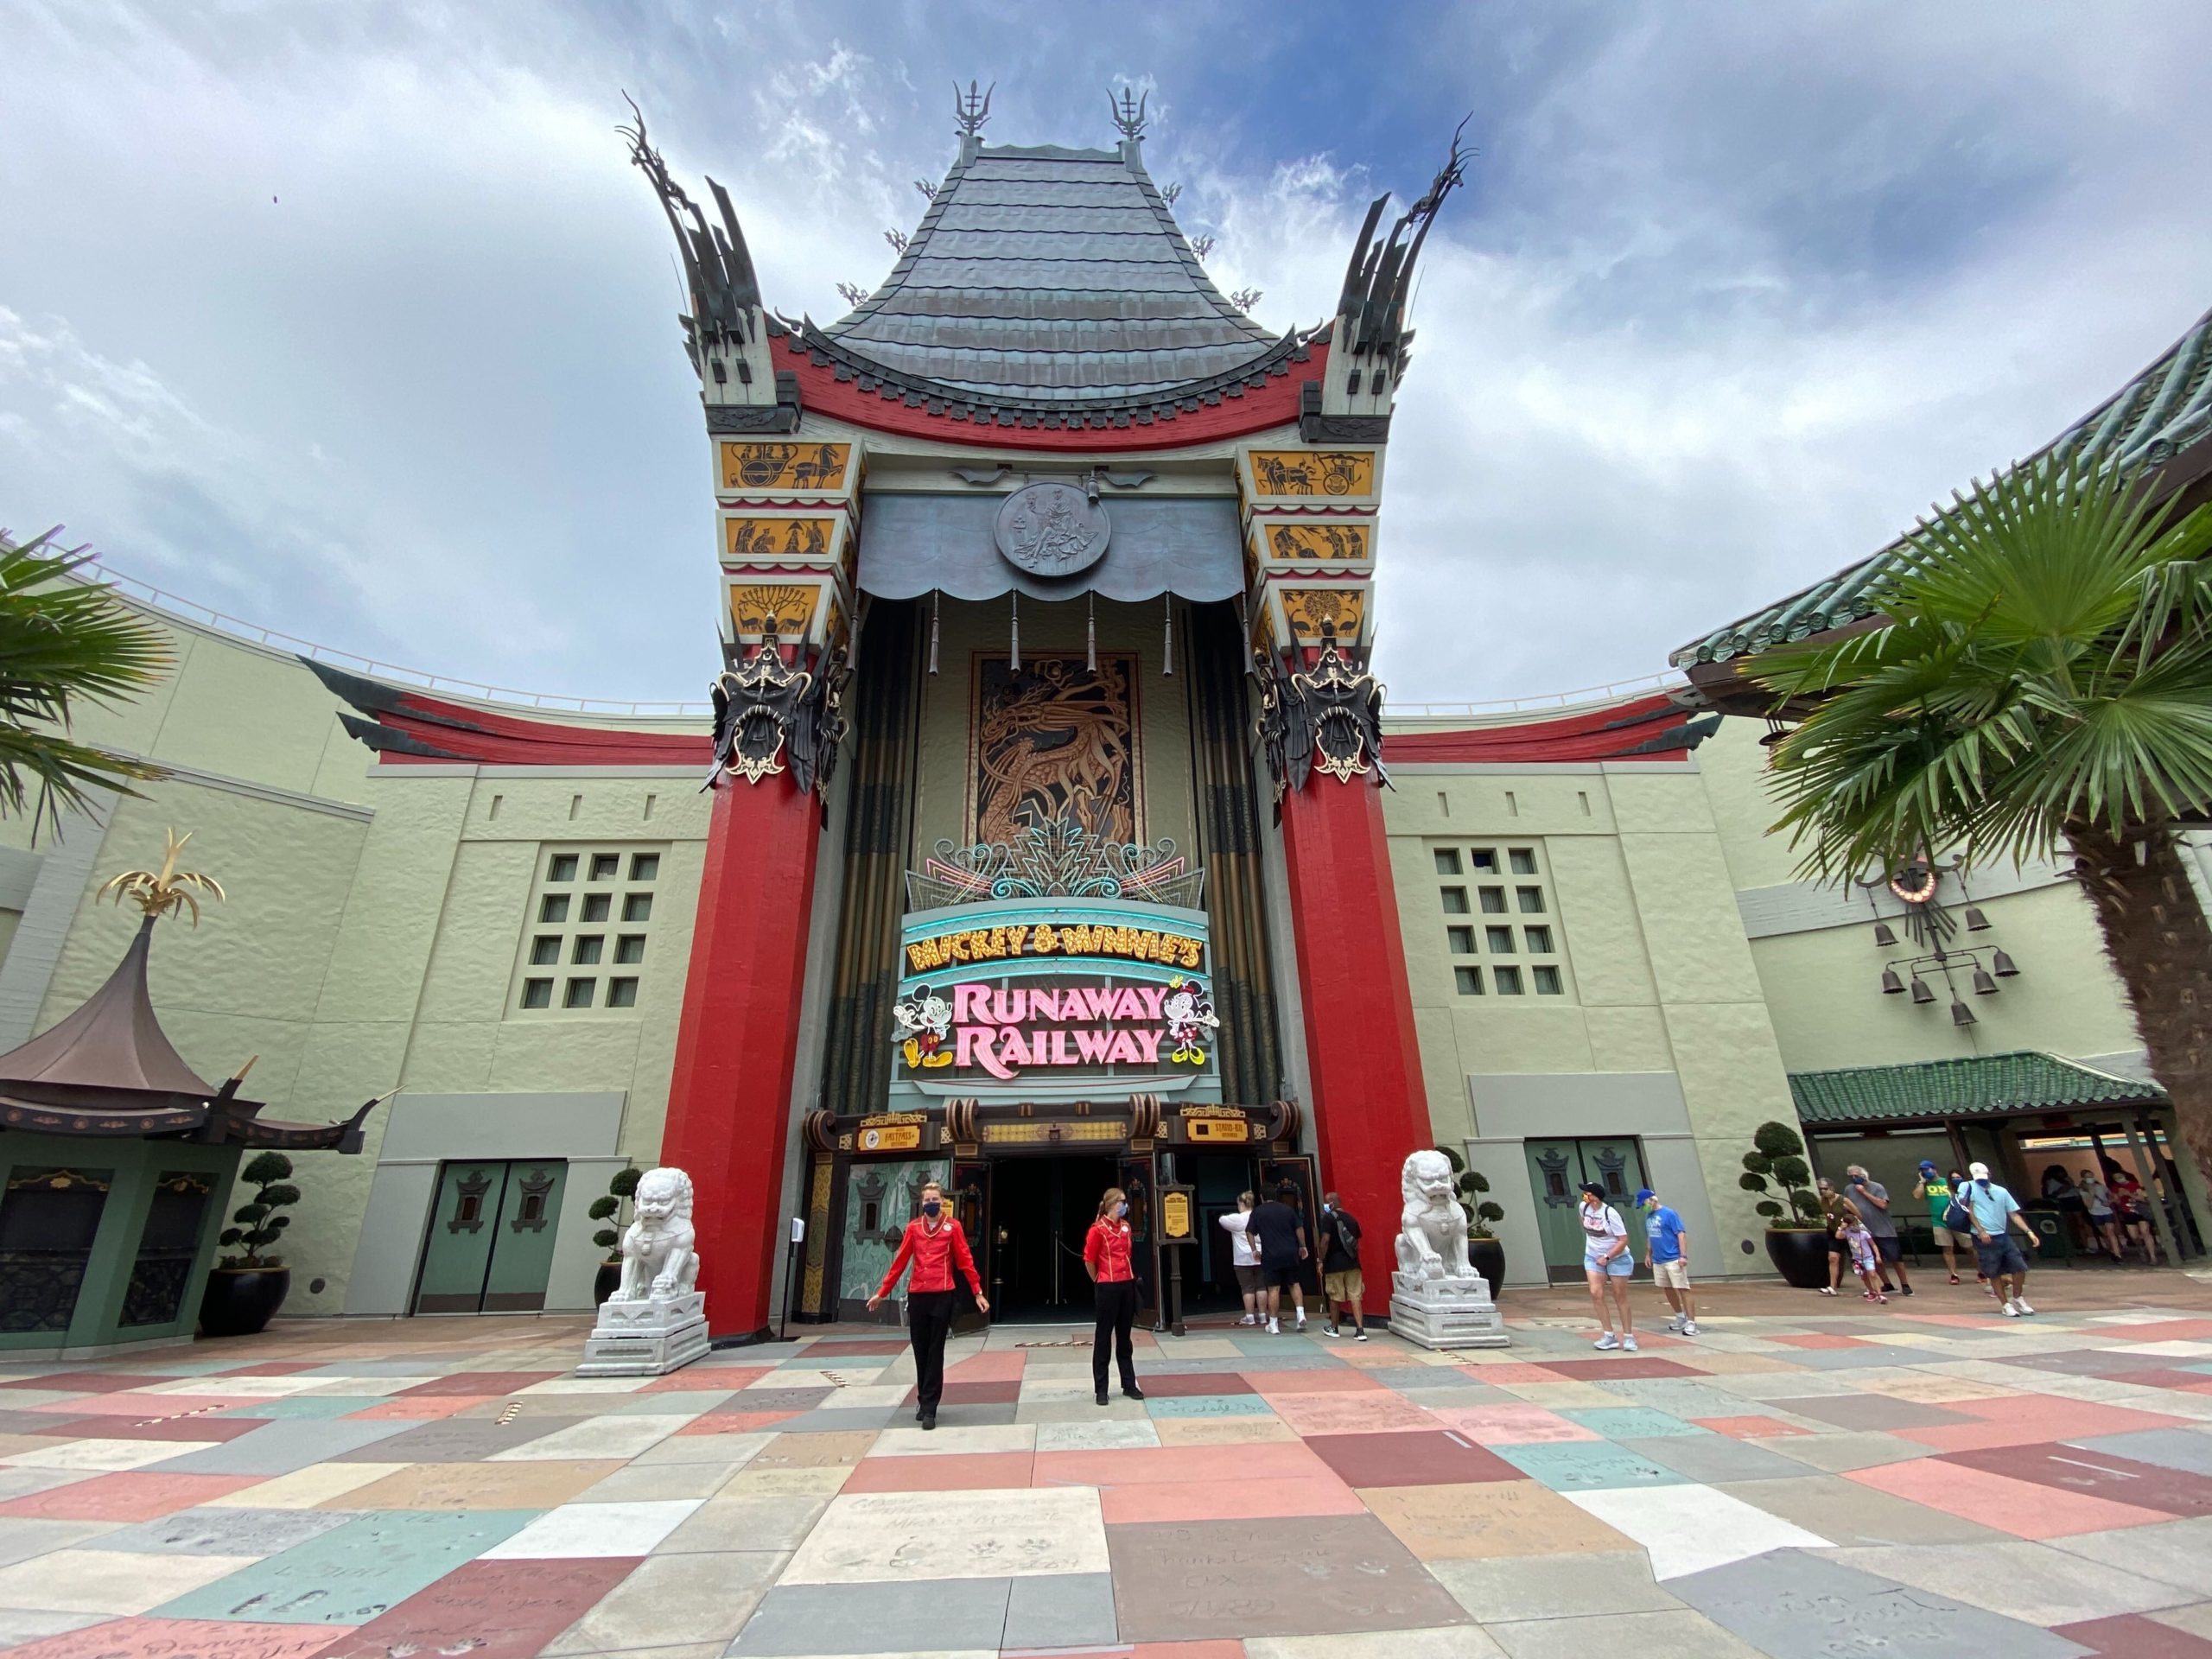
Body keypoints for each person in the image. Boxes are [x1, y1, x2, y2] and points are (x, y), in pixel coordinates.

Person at [867, 1178, 988, 1431]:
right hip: (918, 1295)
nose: (931, 1203)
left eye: (935, 1199)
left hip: (942, 1295)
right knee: (920, 1349)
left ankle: (931, 1407)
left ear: (942, 1202)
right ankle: (923, 1399)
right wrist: (882, 1292)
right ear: (921, 1203)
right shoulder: (913, 1228)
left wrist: (977, 1292)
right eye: (927, 1200)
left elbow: (965, 1261)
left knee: (935, 1350)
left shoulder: (953, 1227)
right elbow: (900, 1262)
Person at [1083, 1185, 1145, 1405]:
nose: (1125, 1205)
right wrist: (1098, 1279)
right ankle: (1101, 1389)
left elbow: (1128, 1254)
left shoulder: (1126, 1227)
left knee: (1124, 1337)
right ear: (1111, 1204)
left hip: (1126, 1284)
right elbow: (1089, 1259)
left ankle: (1129, 1384)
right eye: (1122, 1201)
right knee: (1103, 1338)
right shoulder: (1097, 1229)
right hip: (1107, 1286)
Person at [1957, 1160, 2039, 1315]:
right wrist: (1981, 1231)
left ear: (1989, 1174)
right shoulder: (1967, 1187)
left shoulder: (2001, 1191)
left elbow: (2013, 1214)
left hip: (2002, 1234)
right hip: (1983, 1236)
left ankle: (2018, 1297)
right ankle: (2005, 1304)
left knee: (2019, 1267)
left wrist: (2029, 1231)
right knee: (1993, 1271)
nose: (1982, 1181)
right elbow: (1969, 1211)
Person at [1246, 1180, 1309, 1334]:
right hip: (1290, 1252)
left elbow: (1249, 1231)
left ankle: (1273, 1324)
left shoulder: (1258, 1212)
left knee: (1274, 1289)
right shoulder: (1287, 1209)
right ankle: (1300, 1314)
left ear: (1261, 1196)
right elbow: (1299, 1227)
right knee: (1294, 1284)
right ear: (1275, 1195)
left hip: (1271, 1254)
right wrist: (1302, 1245)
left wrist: (1254, 1250)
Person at [1580, 1181, 1635, 1351]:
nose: (1584, 1195)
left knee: (1619, 1296)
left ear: (1595, 1197)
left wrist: (1608, 1256)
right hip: (1593, 1256)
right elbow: (1584, 1224)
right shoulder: (1583, 1207)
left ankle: (1628, 1336)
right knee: (1595, 1292)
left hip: (1617, 1258)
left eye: (1587, 1193)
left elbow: (1623, 1239)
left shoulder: (1610, 1213)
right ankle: (1609, 1335)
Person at [1635, 1187, 1697, 1335]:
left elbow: (1680, 1234)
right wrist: (1648, 1254)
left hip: (1673, 1257)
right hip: (1658, 1259)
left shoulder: (1669, 1213)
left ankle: (1691, 1322)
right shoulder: (1649, 1216)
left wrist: (1683, 1255)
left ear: (1651, 1200)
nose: (1643, 1208)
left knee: (1682, 1288)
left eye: (1644, 1204)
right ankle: (1680, 1316)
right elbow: (1651, 1235)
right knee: (1667, 1288)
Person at [1846, 1166, 1911, 1295]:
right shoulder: (1849, 1189)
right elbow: (1848, 1205)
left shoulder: (1877, 1187)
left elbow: (1883, 1204)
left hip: (1883, 1230)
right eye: (1851, 1176)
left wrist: (1864, 1192)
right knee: (1874, 1259)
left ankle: (1905, 1284)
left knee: (1895, 1258)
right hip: (1865, 1231)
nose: (1854, 1178)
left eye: (1856, 1176)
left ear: (1864, 1175)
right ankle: (1887, 1283)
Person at [1315, 1192, 1368, 1341]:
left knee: (1335, 1296)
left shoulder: (1328, 1219)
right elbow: (1356, 1242)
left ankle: (1334, 1327)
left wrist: (1320, 1260)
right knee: (1355, 1296)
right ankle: (1360, 1330)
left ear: (1332, 1204)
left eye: (1326, 1203)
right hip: (1353, 1264)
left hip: (1334, 1264)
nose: (1325, 1206)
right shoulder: (1352, 1219)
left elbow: (1325, 1240)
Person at [1916, 1162, 1967, 1284]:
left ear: (1934, 1169)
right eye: (1923, 1171)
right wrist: (1922, 1182)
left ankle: (1981, 1272)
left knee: (1969, 1246)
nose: (1926, 1172)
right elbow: (1917, 1196)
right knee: (1947, 1248)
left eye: (1927, 1169)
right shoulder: (1925, 1185)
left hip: (1956, 1218)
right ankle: (1953, 1274)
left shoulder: (1947, 1182)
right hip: (1938, 1221)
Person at [1217, 1191, 1263, 1325]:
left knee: (1247, 1288)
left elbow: (1221, 1220)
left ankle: (1250, 1317)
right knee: (1262, 1287)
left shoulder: (1237, 1219)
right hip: (1261, 1255)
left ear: (1242, 1204)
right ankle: (1262, 1316)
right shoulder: (1259, 1216)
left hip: (1242, 1259)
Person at [2109, 1164, 2162, 1265]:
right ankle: (2140, 1247)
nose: (2119, 1179)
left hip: (2139, 1211)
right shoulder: (2115, 1187)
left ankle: (2153, 1256)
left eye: (2120, 1176)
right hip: (2127, 1212)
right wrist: (2119, 1195)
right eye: (2116, 1178)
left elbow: (2142, 1198)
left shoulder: (2134, 1185)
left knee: (2145, 1232)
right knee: (2134, 1236)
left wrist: (2129, 1194)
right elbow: (2117, 1202)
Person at [1815, 1177, 1860, 1295]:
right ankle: (1832, 1286)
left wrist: (1847, 1223)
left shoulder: (1843, 1200)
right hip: (1833, 1231)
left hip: (1848, 1232)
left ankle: (1870, 1287)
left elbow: (1858, 1215)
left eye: (1825, 1189)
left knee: (1857, 1260)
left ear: (1831, 1188)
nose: (1823, 1191)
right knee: (1833, 1258)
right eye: (1820, 1189)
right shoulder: (1822, 1201)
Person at [1837, 1205, 1886, 1303]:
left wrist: (1878, 1256)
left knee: (1872, 1274)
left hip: (1867, 1257)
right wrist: (1841, 1228)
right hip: (1857, 1258)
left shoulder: (1864, 1233)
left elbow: (1873, 1245)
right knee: (1863, 1276)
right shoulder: (1847, 1232)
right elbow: (1838, 1236)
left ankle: (1879, 1294)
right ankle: (1871, 1292)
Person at [2043, 1164, 2090, 1252]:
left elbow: (2073, 1188)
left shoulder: (2068, 1179)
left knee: (2080, 1224)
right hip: (2064, 1201)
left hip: (2075, 1200)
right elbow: (2050, 1195)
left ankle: (2085, 1245)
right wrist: (2061, 1190)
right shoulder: (2051, 1181)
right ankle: (2075, 1244)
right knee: (2070, 1224)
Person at [2079, 1166, 2123, 1261]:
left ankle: (2118, 1254)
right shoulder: (2083, 1191)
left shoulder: (2101, 1186)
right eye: (2088, 1177)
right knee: (2105, 1234)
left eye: (2091, 1176)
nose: (2091, 1178)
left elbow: (2113, 1196)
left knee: (2110, 1232)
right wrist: (2091, 1194)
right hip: (2095, 1213)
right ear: (2084, 1179)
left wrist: (2110, 1202)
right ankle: (2112, 1249)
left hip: (2107, 1211)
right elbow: (2089, 1206)